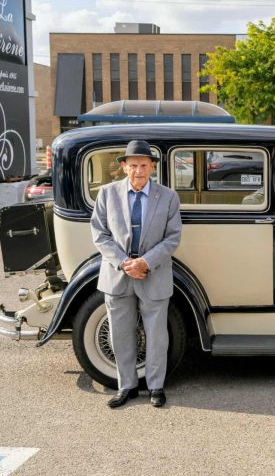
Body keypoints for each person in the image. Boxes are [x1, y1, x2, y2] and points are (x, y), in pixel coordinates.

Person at [90, 140, 182, 409]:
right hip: (117, 275)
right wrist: (123, 263)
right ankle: (126, 386)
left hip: (154, 273)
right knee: (120, 335)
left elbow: (173, 237)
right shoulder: (106, 194)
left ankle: (156, 387)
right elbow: (100, 234)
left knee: (156, 336)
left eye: (144, 165)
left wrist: (144, 262)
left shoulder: (168, 197)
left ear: (152, 167)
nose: (138, 171)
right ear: (123, 167)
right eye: (133, 166)